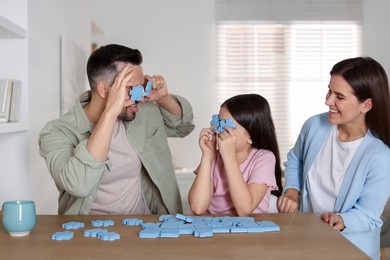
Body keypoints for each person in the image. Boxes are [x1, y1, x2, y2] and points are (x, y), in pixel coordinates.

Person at [39, 44, 195, 215]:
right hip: (87, 233)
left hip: (144, 228)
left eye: (141, 87)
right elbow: (79, 185)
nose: (140, 96)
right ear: (104, 89)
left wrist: (163, 98)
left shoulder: (142, 112)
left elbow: (182, 127)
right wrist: (110, 113)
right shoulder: (57, 132)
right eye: (130, 89)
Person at [277, 57, 390, 259]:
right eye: (329, 91)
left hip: (352, 251)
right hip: (307, 242)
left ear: (366, 105)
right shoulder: (314, 126)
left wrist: (341, 219)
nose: (328, 101)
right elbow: (296, 159)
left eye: (339, 96)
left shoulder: (380, 156)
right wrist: (292, 192)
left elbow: (368, 216)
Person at [188, 94, 283, 216]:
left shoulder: (264, 158)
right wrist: (207, 156)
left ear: (251, 137)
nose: (218, 131)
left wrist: (228, 157)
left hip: (252, 227)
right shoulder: (213, 156)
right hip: (216, 228)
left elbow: (244, 209)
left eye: (227, 127)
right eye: (218, 123)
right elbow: (197, 207)